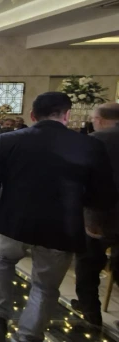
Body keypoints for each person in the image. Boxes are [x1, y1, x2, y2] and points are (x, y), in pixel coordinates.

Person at [0, 92, 117, 342]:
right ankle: (28, 335)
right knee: (44, 286)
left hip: (14, 221)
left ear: (33, 115)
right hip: (61, 226)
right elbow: (103, 193)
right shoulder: (89, 145)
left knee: (3, 262)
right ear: (67, 115)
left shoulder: (10, 139)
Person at [71, 103, 119, 327]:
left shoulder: (95, 140)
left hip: (100, 215)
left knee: (89, 262)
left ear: (99, 120)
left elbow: (80, 178)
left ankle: (90, 311)